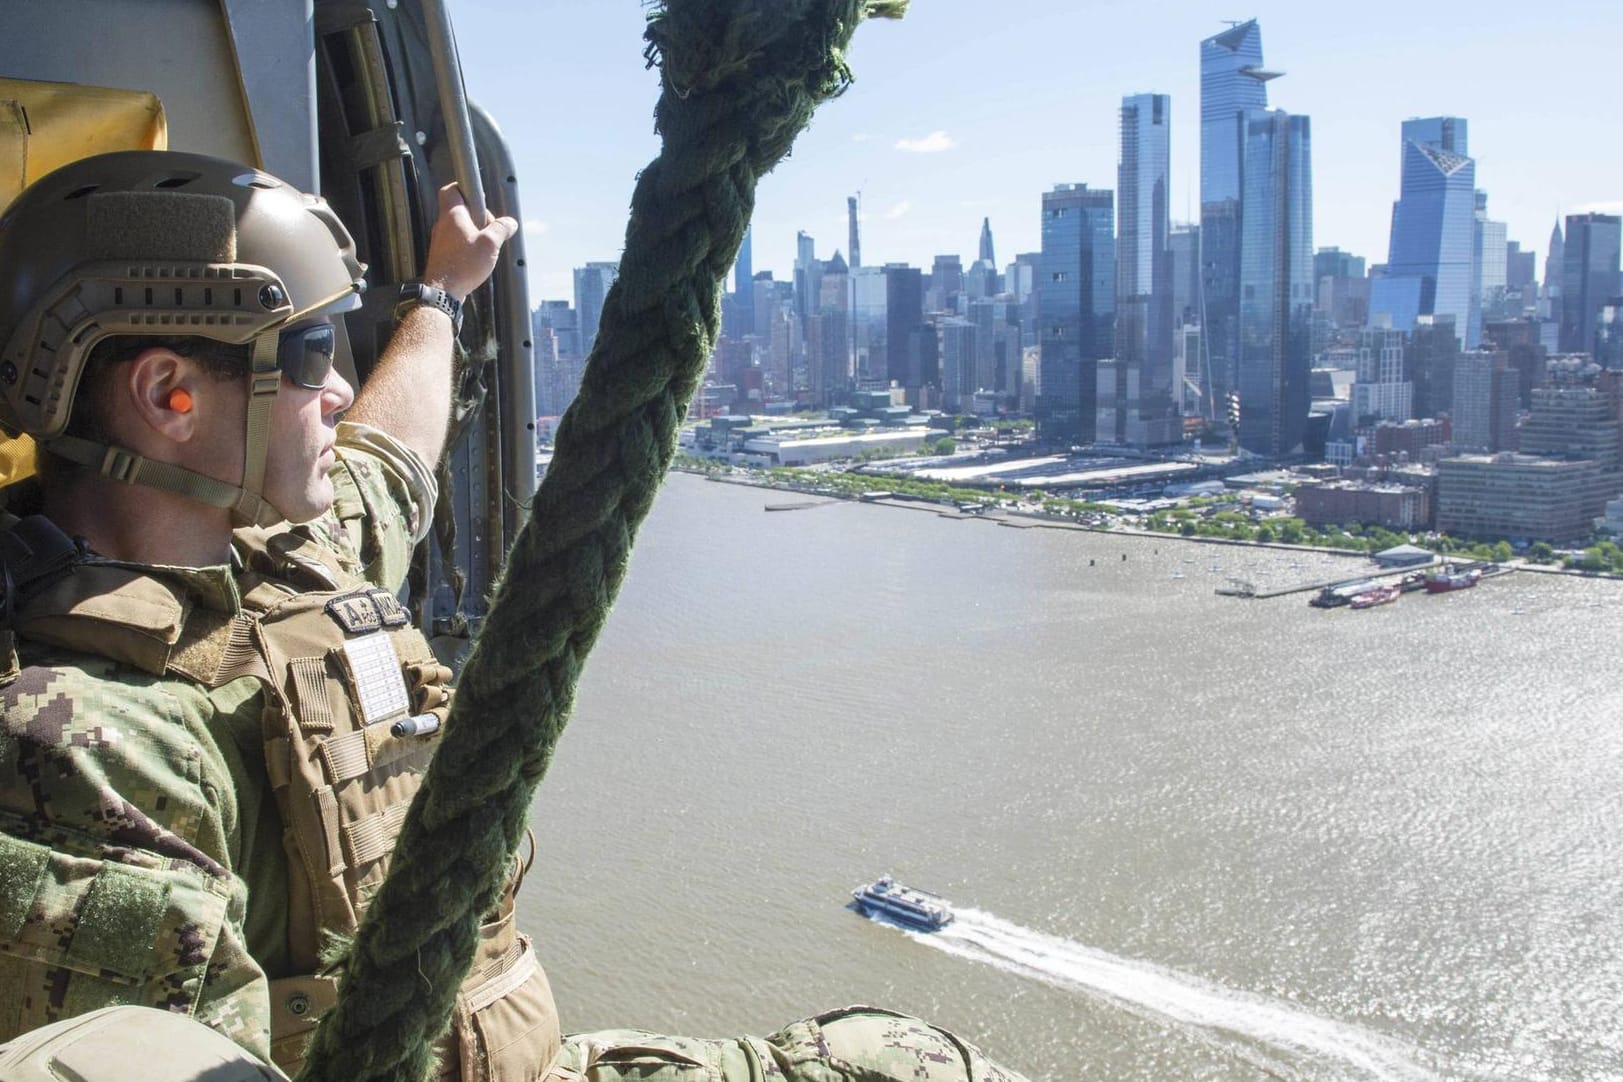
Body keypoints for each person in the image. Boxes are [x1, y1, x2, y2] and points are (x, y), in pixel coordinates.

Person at [0, 151, 1027, 1082]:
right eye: (310, 354)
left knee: (906, 1060)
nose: (342, 387)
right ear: (169, 395)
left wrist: (445, 293)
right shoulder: (77, 745)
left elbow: (390, 454)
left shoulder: (280, 561)